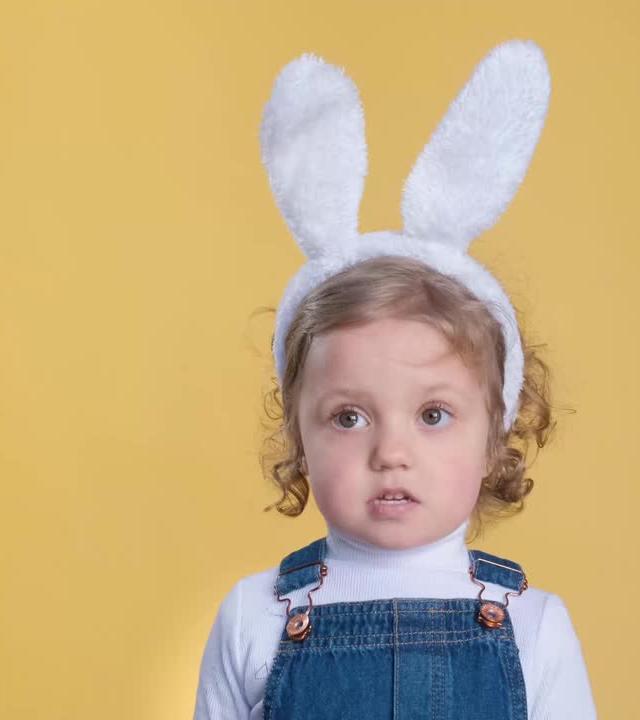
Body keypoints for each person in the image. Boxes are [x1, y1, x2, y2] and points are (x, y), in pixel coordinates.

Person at [194, 39, 596, 720]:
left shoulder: (532, 627)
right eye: (349, 417)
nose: (390, 453)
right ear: (298, 435)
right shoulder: (254, 618)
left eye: (433, 414)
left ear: (495, 434)